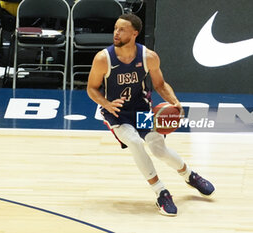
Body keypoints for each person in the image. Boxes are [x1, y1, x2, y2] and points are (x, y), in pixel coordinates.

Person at [87, 13, 215, 216]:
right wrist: (106, 104)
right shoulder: (103, 58)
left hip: (140, 109)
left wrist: (174, 101)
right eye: (115, 28)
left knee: (158, 148)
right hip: (117, 113)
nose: (116, 33)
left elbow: (160, 85)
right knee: (135, 142)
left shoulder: (148, 57)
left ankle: (190, 175)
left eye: (121, 29)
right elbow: (92, 88)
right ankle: (161, 192)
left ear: (134, 33)